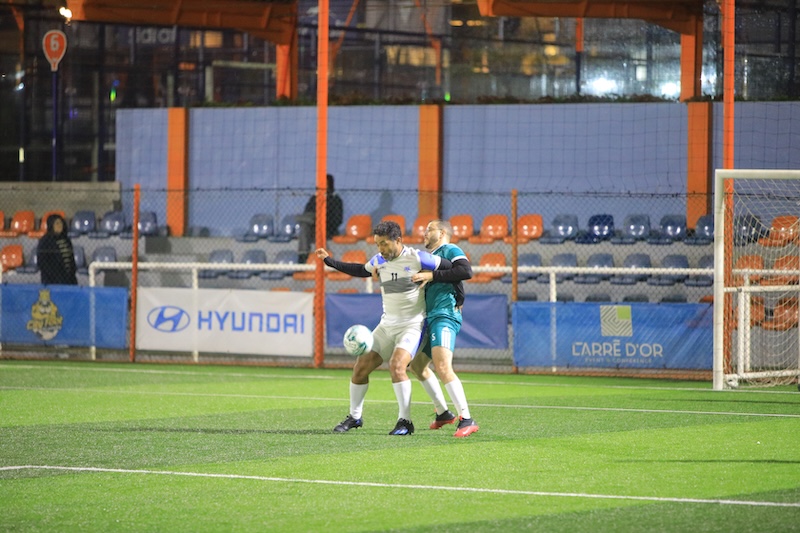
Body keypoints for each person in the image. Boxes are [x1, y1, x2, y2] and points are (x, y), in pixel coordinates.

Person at [315, 220, 454, 435]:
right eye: (377, 244)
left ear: (398, 240)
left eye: (384, 243)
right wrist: (329, 261)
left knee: (397, 366)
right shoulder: (379, 260)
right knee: (361, 368)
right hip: (387, 325)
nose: (380, 249)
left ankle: (405, 421)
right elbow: (360, 270)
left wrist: (433, 277)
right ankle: (355, 417)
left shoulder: (417, 257)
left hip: (413, 325)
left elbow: (453, 269)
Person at [409, 220, 479, 437]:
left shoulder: (450, 249)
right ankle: (443, 413)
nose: (424, 233)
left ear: (441, 233)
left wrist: (432, 276)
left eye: (428, 229)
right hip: (431, 317)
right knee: (417, 366)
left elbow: (465, 271)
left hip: (445, 315)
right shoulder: (432, 257)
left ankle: (466, 419)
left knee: (442, 366)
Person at [297, 174, 344, 264]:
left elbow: (338, 220)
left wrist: (322, 220)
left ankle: (322, 258)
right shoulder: (314, 199)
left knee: (310, 224)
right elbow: (307, 213)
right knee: (305, 226)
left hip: (328, 229)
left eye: (324, 184)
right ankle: (303, 256)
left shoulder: (336, 199)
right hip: (313, 227)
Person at [36, 213, 78, 286]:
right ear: (51, 225)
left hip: (69, 278)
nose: (60, 225)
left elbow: (71, 259)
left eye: (61, 223)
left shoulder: (66, 239)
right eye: (57, 223)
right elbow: (42, 262)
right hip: (52, 280)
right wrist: (54, 276)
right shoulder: (45, 241)